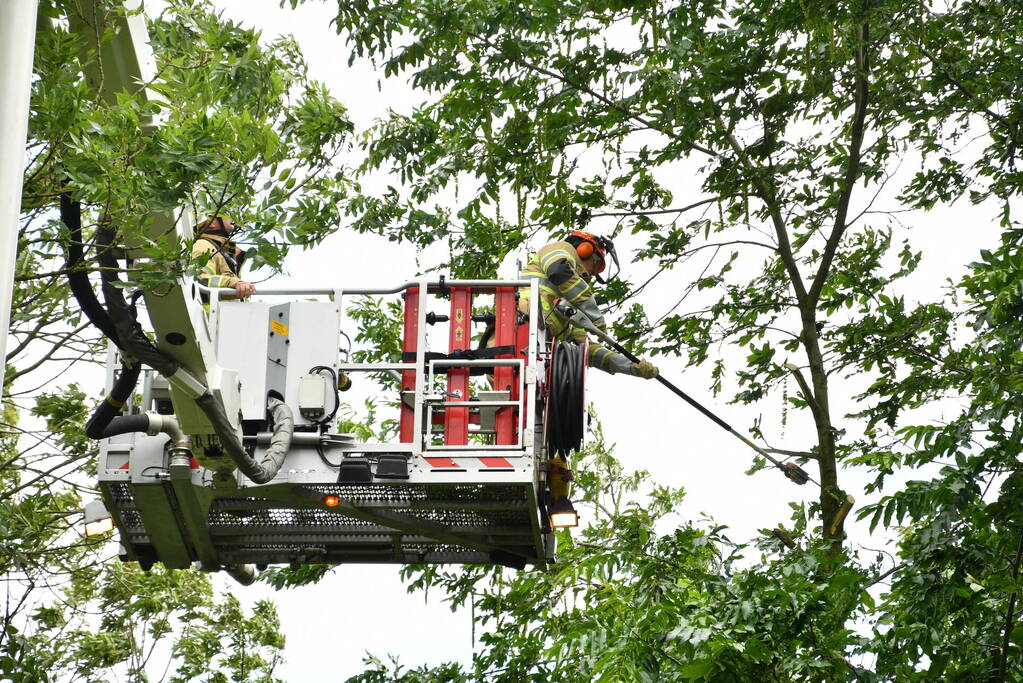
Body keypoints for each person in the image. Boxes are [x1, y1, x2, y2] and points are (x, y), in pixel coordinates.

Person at [519, 231, 658, 378]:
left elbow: (588, 351)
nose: (592, 272)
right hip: (523, 323)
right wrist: (596, 318)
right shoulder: (562, 249)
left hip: (533, 351)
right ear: (584, 249)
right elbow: (559, 272)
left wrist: (631, 367)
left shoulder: (567, 312)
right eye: (596, 264)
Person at [191, 215, 255, 298]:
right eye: (226, 214)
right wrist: (235, 284)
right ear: (211, 222)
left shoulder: (221, 251)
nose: (232, 218)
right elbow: (200, 279)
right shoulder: (203, 245)